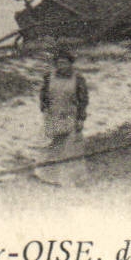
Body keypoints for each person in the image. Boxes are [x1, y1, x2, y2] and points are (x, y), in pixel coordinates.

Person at [36, 47, 88, 186]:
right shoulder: (49, 77)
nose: (61, 66)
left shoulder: (78, 79)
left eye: (65, 63)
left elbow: (83, 101)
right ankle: (47, 176)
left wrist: (80, 119)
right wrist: (45, 109)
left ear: (71, 64)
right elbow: (43, 95)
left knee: (70, 147)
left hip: (70, 115)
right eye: (59, 63)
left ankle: (71, 178)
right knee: (51, 144)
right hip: (53, 114)